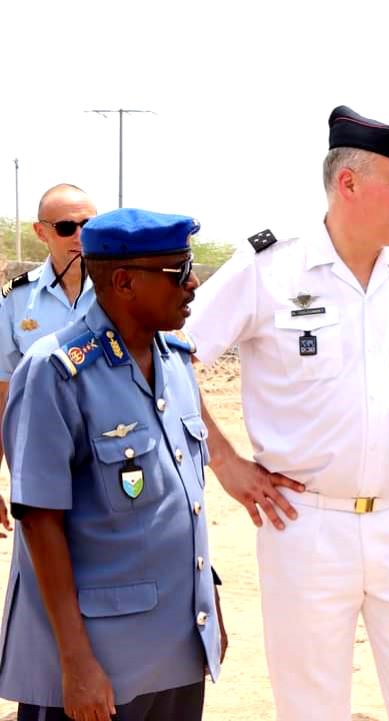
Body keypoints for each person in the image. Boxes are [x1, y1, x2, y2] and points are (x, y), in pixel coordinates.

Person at [185, 105, 389, 721]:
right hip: (304, 523)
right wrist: (225, 464)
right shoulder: (270, 267)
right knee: (310, 707)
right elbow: (176, 359)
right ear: (348, 183)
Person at [0, 207, 223, 721]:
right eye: (178, 272)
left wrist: (207, 603)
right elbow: (39, 519)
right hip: (100, 664)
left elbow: (183, 499)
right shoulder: (56, 372)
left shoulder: (175, 360)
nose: (192, 285)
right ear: (123, 282)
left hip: (175, 647)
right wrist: (76, 663)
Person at [0, 184, 98, 537]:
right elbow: (4, 389)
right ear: (41, 232)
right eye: (66, 227)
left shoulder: (120, 290)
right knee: (42, 561)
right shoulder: (16, 301)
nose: (80, 235)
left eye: (89, 224)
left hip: (112, 446)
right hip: (40, 454)